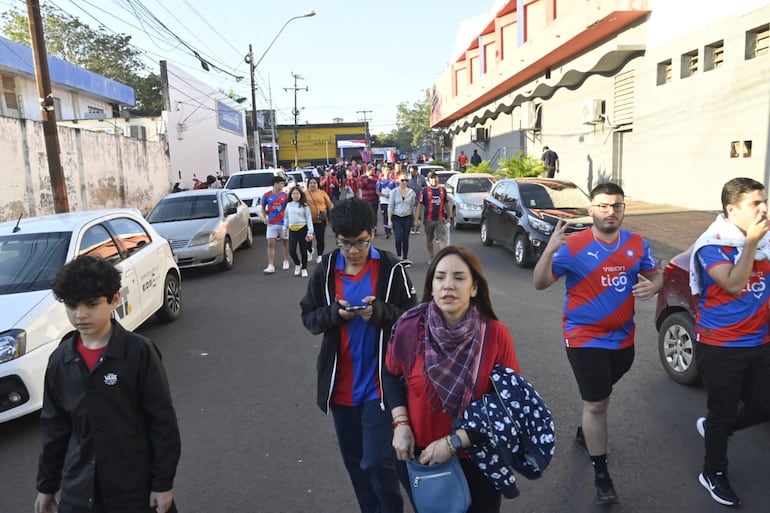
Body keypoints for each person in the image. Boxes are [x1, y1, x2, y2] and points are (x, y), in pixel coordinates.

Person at [532, 182, 661, 504]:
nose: (610, 211)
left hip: (624, 340)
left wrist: (654, 287)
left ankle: (585, 429)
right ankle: (602, 476)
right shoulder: (573, 246)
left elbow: (655, 274)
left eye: (616, 206)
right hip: (584, 337)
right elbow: (540, 283)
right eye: (603, 205)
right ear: (591, 210)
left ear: (623, 210)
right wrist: (549, 249)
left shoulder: (636, 243)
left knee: (599, 395)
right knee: (597, 403)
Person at [35, 255, 181, 513]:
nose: (80, 315)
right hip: (79, 490)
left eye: (92, 304)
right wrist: (47, 485)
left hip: (135, 489)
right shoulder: (60, 361)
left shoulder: (139, 353)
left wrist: (163, 483)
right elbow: (55, 428)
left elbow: (163, 422)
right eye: (72, 305)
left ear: (114, 299)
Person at [300, 197, 417, 513]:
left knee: (378, 461)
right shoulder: (326, 269)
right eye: (345, 244)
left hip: (381, 385)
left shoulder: (391, 269)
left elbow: (414, 319)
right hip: (341, 389)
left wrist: (379, 312)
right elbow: (309, 316)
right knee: (356, 464)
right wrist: (335, 314)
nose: (353, 251)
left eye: (361, 243)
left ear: (374, 232)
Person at [384, 245, 521, 513]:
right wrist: (400, 423)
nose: (448, 285)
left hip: (479, 458)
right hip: (421, 457)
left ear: (474, 288)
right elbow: (390, 374)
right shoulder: (409, 327)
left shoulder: (494, 334)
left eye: (459, 278)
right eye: (440, 277)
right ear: (431, 286)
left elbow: (509, 403)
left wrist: (453, 442)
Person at [689, 177, 770, 507]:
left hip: (760, 340)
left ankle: (714, 427)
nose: (764, 209)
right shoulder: (713, 245)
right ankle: (713, 471)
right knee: (722, 411)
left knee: (764, 405)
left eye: (764, 202)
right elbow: (735, 284)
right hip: (721, 344)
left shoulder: (765, 242)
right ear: (732, 209)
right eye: (756, 204)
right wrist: (751, 243)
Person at [415, 172, 451, 263]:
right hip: (429, 219)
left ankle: (441, 257)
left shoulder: (442, 190)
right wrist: (417, 219)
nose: (434, 179)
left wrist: (449, 215)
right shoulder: (425, 191)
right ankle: (431, 255)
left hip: (440, 218)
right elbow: (420, 205)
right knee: (429, 239)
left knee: (442, 238)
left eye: (435, 177)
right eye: (432, 178)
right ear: (428, 180)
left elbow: (446, 203)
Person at [261, 175, 291, 274]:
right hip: (272, 223)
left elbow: (288, 208)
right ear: (276, 184)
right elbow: (263, 207)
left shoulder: (285, 196)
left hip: (283, 223)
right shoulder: (267, 195)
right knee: (270, 243)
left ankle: (286, 260)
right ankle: (270, 265)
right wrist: (264, 217)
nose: (283, 185)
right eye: (281, 183)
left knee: (285, 242)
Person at [283, 186, 315, 277]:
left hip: (302, 229)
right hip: (292, 230)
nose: (295, 195)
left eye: (297, 193)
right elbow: (286, 218)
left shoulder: (304, 206)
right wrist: (284, 228)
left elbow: (309, 219)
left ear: (301, 195)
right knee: (292, 250)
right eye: (293, 193)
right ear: (291, 195)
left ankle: (304, 268)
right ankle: (298, 264)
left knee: (303, 250)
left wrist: (310, 232)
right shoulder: (289, 205)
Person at [388, 172, 417, 260]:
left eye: (406, 180)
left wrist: (415, 219)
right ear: (398, 180)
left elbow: (413, 207)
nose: (404, 182)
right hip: (396, 217)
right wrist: (389, 220)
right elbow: (390, 206)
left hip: (407, 217)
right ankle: (398, 256)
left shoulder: (411, 193)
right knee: (398, 238)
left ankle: (405, 257)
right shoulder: (394, 192)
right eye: (402, 180)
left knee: (405, 238)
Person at [305, 176, 334, 263]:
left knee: (320, 238)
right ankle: (309, 250)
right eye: (311, 183)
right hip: (308, 220)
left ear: (318, 184)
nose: (312, 185)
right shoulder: (304, 193)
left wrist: (335, 214)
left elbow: (330, 205)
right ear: (308, 184)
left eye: (314, 183)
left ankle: (320, 255)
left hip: (321, 219)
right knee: (308, 238)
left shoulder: (322, 193)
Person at [377, 168, 397, 239]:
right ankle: (387, 232)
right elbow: (377, 192)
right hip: (383, 201)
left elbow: (396, 190)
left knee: (393, 216)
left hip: (392, 202)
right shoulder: (380, 181)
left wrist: (392, 195)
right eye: (386, 171)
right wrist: (384, 195)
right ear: (383, 171)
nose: (387, 172)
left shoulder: (393, 181)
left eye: (389, 171)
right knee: (385, 217)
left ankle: (394, 229)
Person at [406, 165, 427, 234]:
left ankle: (417, 228)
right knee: (411, 213)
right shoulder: (408, 178)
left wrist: (422, 191)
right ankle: (412, 227)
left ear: (416, 171)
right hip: (411, 198)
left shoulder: (421, 178)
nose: (411, 173)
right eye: (410, 171)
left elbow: (425, 186)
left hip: (419, 198)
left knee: (419, 214)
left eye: (412, 171)